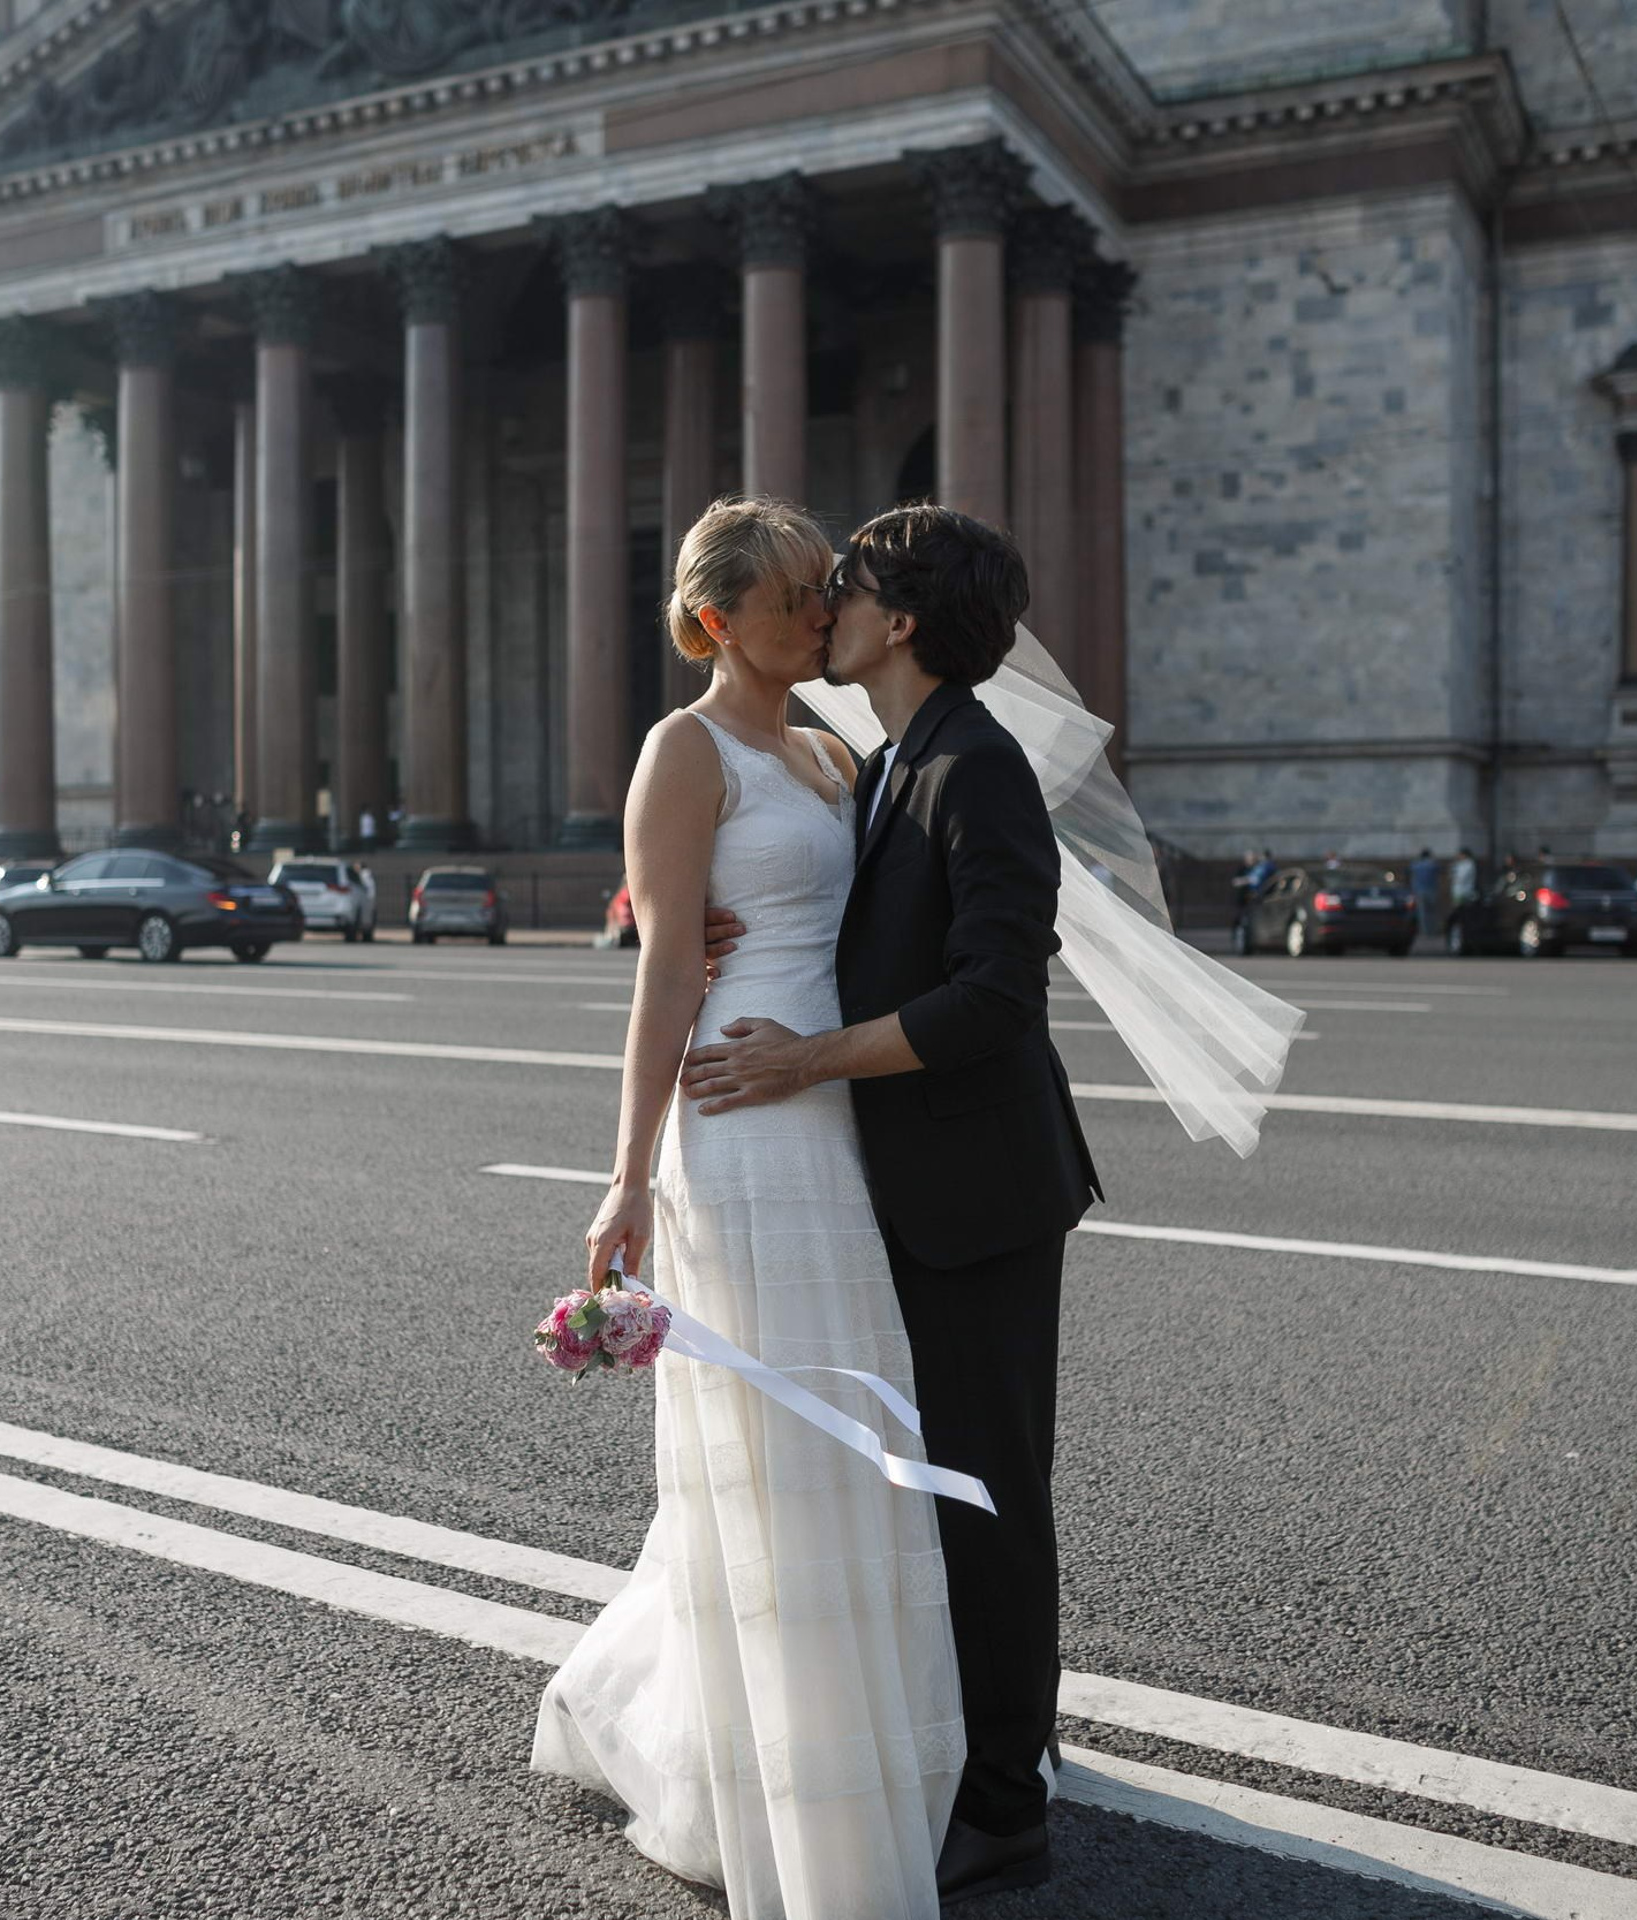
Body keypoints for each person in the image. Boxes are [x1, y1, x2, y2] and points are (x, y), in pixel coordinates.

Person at [532, 498, 969, 1919]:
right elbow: (666, 969)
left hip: (831, 1113)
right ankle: (779, 1773)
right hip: (732, 1124)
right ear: (719, 619)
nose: (817, 611)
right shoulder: (685, 746)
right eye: (790, 596)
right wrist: (621, 1175)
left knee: (839, 1434)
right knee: (771, 1441)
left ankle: (840, 1735)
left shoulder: (834, 754)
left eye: (822, 588)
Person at [674, 505, 1099, 1904]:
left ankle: (1005, 1804)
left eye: (843, 588)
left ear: (899, 621)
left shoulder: (975, 767)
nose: (823, 609)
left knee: (987, 1491)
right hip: (895, 1183)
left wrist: (800, 1057)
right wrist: (692, 916)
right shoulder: (877, 760)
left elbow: (995, 997)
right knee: (928, 1483)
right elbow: (789, 875)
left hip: (977, 1194)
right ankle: (967, 1741)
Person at [1409, 847, 1440, 939]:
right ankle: (1432, 931)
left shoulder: (1417, 865)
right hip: (1432, 890)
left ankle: (1424, 931)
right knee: (1432, 912)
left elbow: (1411, 869)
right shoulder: (1432, 864)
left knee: (1422, 913)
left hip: (1420, 891)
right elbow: (1439, 869)